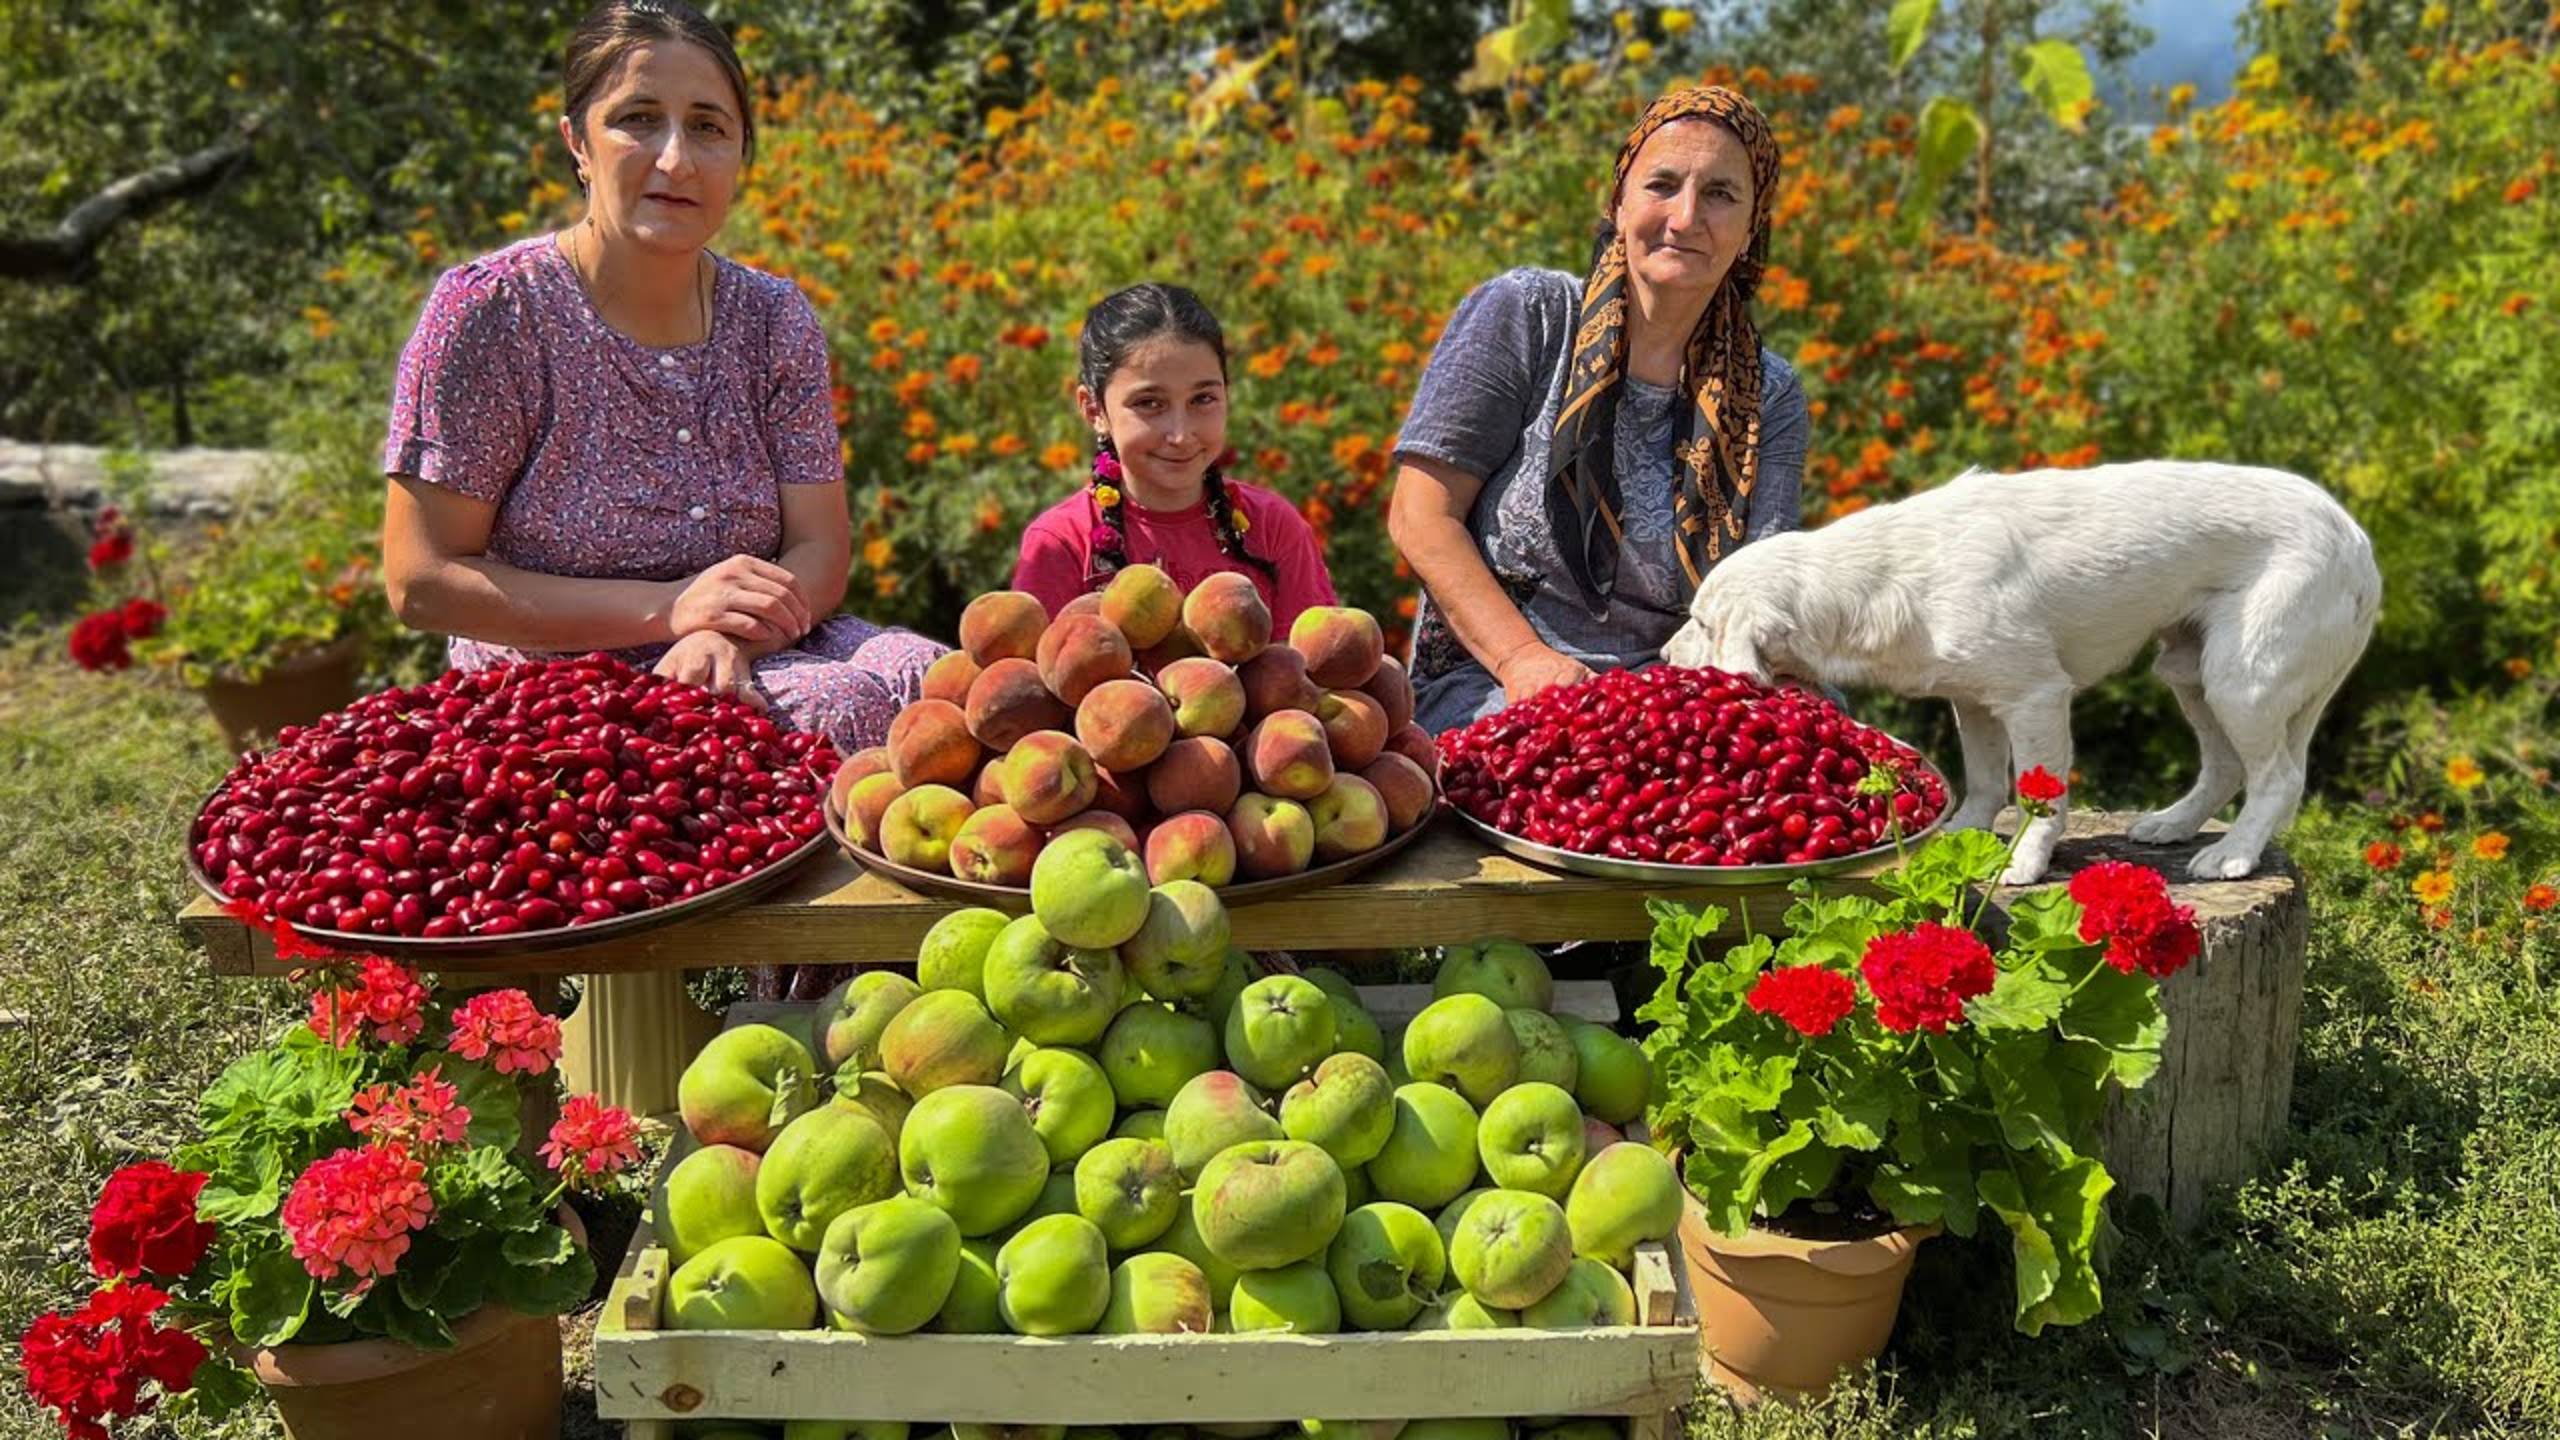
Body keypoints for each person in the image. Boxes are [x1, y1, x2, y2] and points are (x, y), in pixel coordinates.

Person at [379, 0, 942, 760]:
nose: (676, 159)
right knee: (833, 710)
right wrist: (670, 610)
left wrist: (717, 628)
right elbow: (422, 581)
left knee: (934, 683)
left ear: (742, 153)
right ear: (577, 141)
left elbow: (819, 551)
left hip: (751, 637)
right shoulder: (493, 312)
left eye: (708, 127)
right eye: (638, 119)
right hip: (554, 672)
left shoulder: (774, 317)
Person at [1386, 86, 1809, 735]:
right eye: (1662, 184)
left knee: (1830, 760)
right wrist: (1523, 659)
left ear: (1753, 226)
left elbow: (1759, 593)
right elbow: (1421, 514)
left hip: (1682, 697)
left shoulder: (1769, 394)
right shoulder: (1531, 316)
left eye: (1721, 194)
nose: (1686, 215)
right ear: (1618, 202)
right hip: (1502, 678)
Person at [1012, 282, 1337, 633]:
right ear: (1094, 411)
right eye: (1149, 403)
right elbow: (1038, 676)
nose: (1180, 435)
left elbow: (1314, 669)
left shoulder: (1273, 528)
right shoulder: (1062, 542)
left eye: (1202, 399)